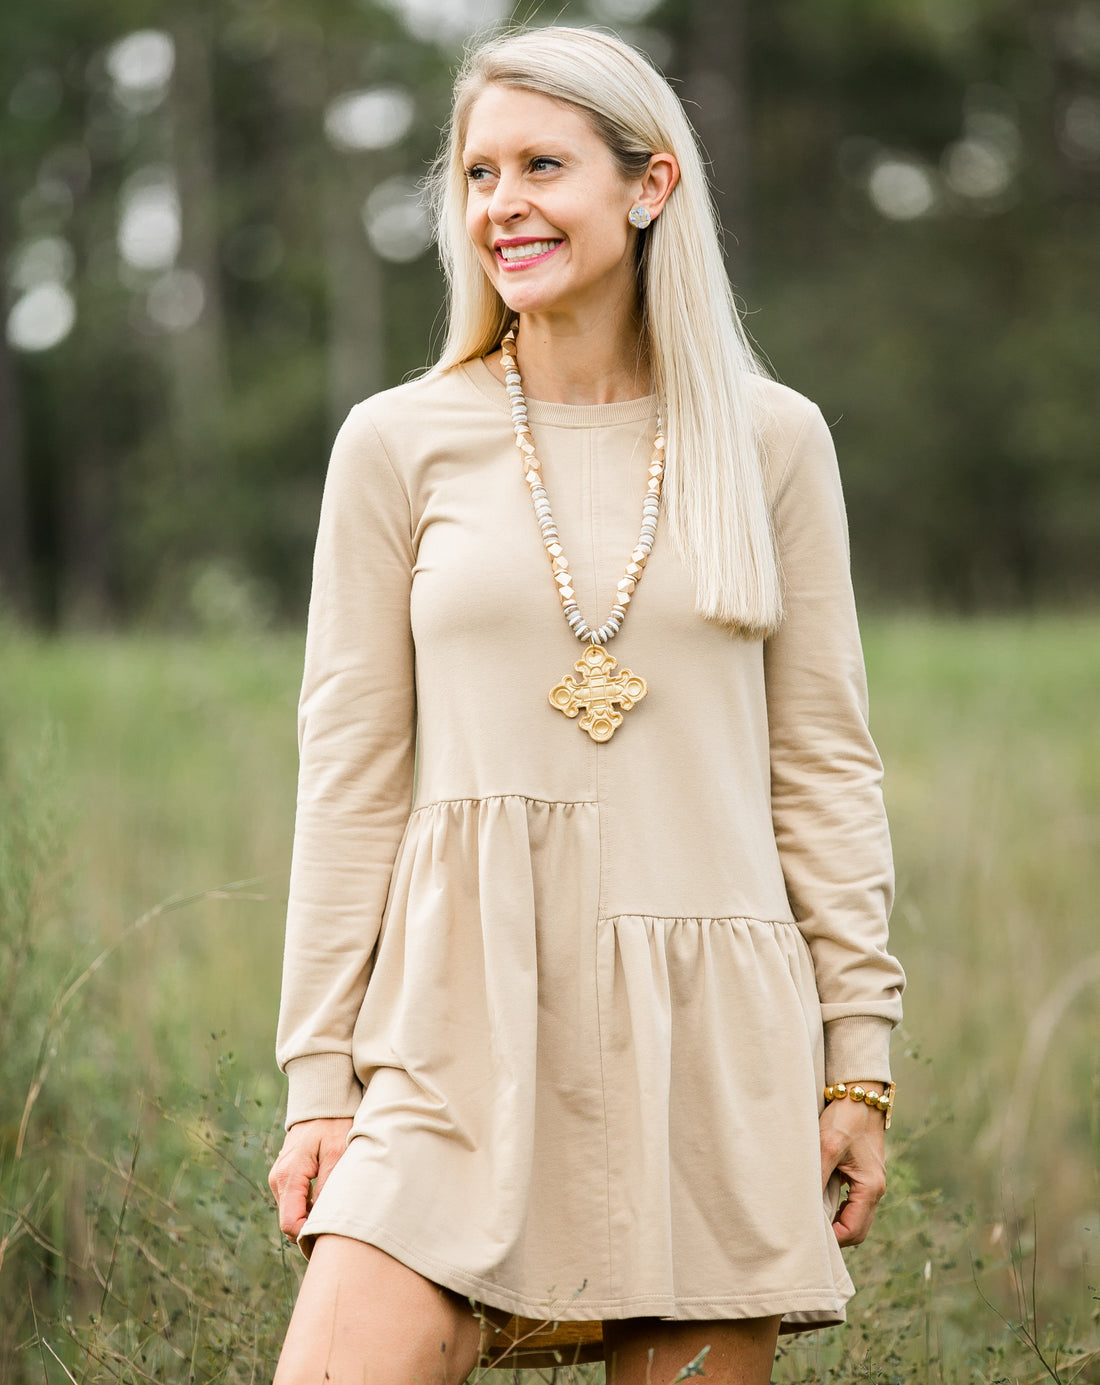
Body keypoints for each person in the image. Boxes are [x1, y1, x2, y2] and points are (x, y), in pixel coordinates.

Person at [267, 24, 905, 1385]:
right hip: (451, 1023)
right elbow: (351, 774)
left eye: (541, 166)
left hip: (709, 1032)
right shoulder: (397, 441)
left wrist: (859, 1060)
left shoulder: (773, 440)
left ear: (649, 184)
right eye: (478, 172)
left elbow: (826, 762)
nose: (502, 203)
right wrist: (317, 1077)